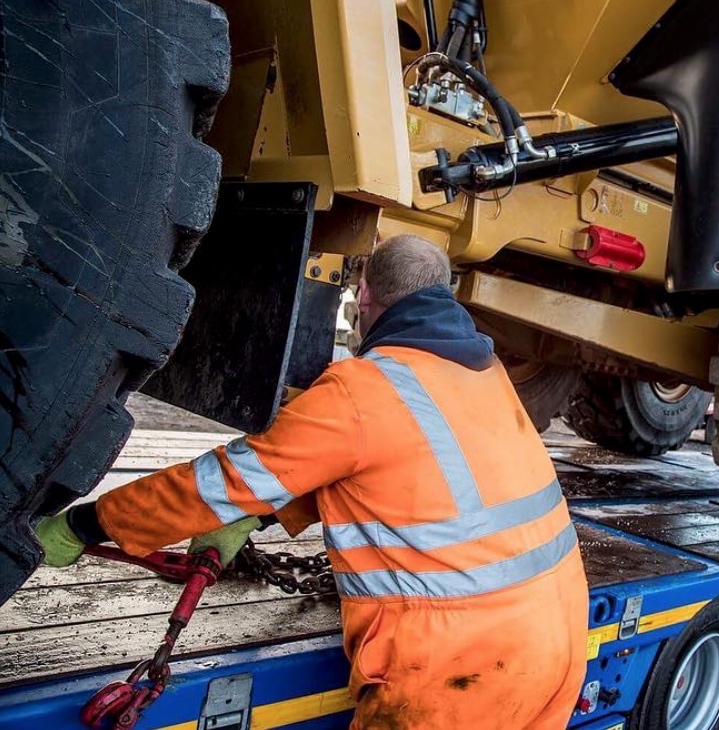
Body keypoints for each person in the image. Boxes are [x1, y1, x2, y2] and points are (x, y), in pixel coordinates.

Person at [35, 234, 590, 729]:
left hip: (458, 672)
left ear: (365, 297)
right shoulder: (484, 372)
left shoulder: (361, 391)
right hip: (557, 642)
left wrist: (88, 523)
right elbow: (404, 474)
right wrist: (265, 513)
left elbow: (215, 484)